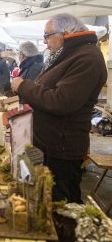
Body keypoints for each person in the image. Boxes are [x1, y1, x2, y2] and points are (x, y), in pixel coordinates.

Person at [11, 13, 107, 203]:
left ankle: (67, 232)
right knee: (48, 201)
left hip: (61, 150)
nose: (45, 42)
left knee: (63, 203)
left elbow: (62, 101)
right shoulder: (70, 54)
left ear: (64, 33)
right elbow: (49, 90)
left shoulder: (86, 57)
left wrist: (24, 86)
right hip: (50, 145)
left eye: (47, 36)